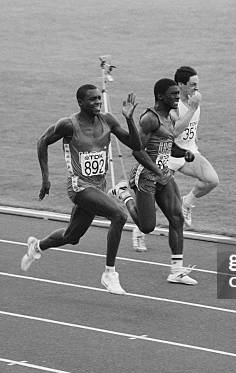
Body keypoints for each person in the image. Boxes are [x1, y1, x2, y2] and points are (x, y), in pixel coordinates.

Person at [20, 84, 151, 295]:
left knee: (72, 236)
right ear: (81, 102)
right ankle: (109, 273)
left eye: (99, 98)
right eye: (92, 99)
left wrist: (128, 118)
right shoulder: (68, 125)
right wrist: (46, 178)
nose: (98, 102)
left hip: (98, 186)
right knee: (119, 215)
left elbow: (135, 146)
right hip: (79, 186)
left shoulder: (108, 120)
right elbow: (42, 141)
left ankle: (37, 247)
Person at [109, 78, 197, 285]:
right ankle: (124, 193)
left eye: (178, 93)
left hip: (163, 174)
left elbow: (168, 145)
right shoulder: (150, 118)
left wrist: (184, 153)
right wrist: (157, 170)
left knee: (177, 218)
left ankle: (176, 271)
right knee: (147, 227)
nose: (178, 97)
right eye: (174, 94)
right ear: (160, 96)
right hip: (147, 176)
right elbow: (137, 150)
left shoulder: (170, 117)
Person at [131, 66, 219, 252]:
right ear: (181, 85)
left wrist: (194, 138)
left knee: (212, 180)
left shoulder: (195, 98)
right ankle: (139, 231)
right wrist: (192, 108)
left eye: (197, 84)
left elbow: (192, 125)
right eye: (192, 85)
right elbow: (174, 131)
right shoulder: (174, 106)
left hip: (188, 151)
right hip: (168, 154)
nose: (196, 88)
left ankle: (187, 203)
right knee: (152, 201)